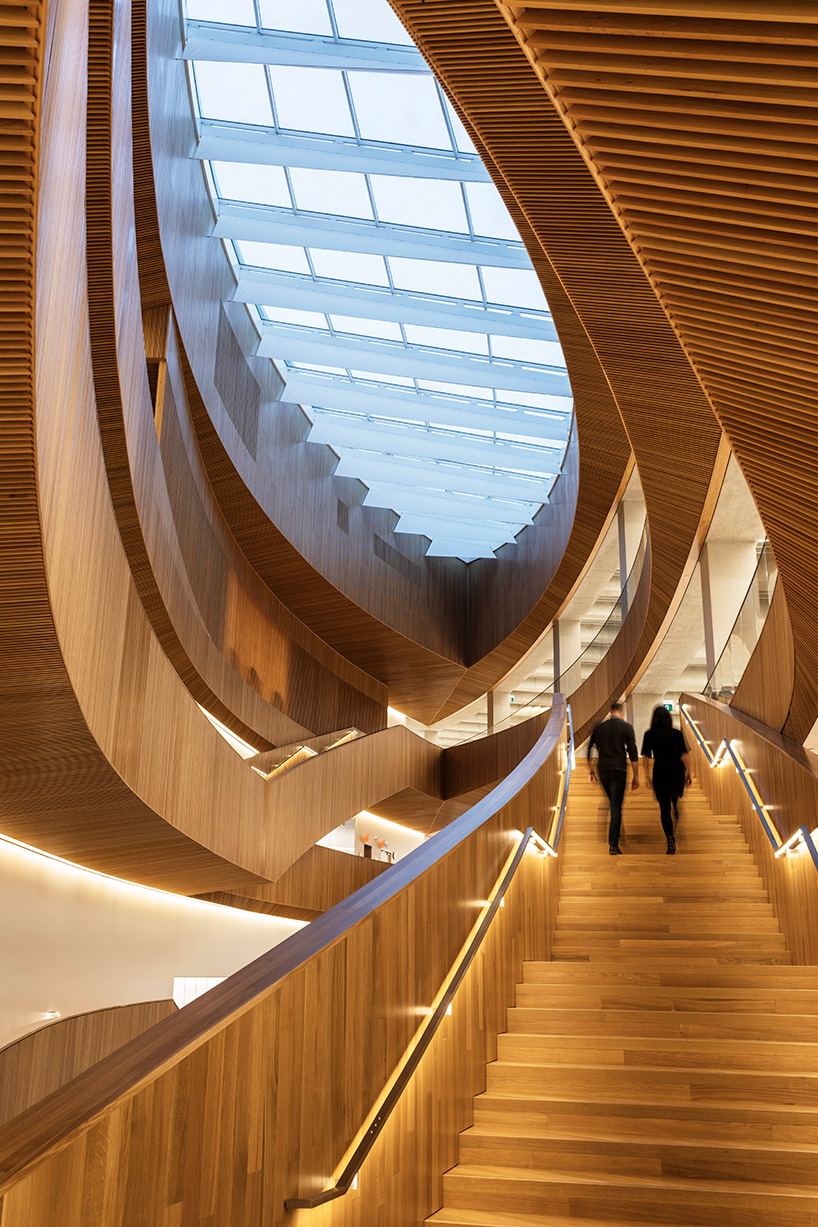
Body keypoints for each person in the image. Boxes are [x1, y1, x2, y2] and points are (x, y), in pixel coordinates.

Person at [587, 701, 639, 855]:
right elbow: (633, 752)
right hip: (619, 769)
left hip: (603, 769)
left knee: (613, 803)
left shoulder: (599, 727)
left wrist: (591, 771)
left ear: (610, 712)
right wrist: (636, 776)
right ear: (621, 712)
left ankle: (615, 831)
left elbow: (589, 749)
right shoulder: (626, 727)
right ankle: (614, 844)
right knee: (616, 805)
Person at [640, 706, 692, 855]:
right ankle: (675, 811)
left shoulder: (649, 734)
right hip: (676, 769)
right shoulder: (677, 733)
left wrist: (647, 776)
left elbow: (646, 757)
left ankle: (670, 839)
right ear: (669, 718)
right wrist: (689, 774)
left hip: (660, 770)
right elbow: (685, 754)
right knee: (674, 800)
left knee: (664, 808)